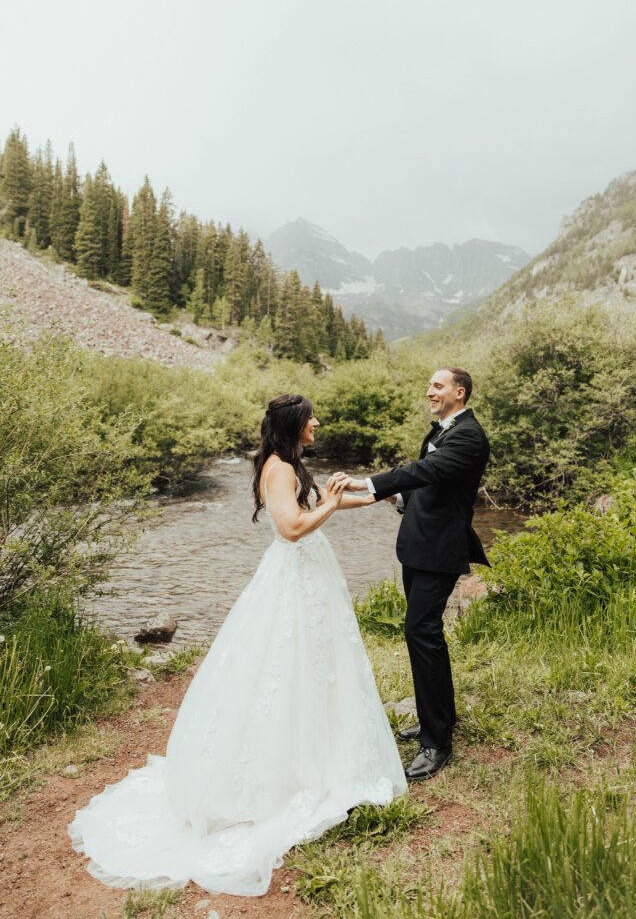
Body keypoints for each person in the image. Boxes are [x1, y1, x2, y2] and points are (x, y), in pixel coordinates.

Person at [69, 394, 407, 897]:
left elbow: (314, 508)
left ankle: (326, 752)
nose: (316, 422)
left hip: (311, 577)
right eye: (310, 417)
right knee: (283, 666)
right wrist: (333, 503)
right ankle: (286, 774)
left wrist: (374, 496)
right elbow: (291, 528)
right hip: (294, 577)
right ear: (295, 424)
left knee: (317, 667)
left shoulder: (291, 464)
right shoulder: (278, 469)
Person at [341, 367, 490, 782]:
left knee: (420, 631)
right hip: (419, 546)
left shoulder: (469, 435)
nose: (429, 391)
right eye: (429, 385)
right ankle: (434, 720)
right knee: (423, 633)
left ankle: (437, 743)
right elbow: (424, 484)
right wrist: (393, 499)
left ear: (459, 393)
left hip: (441, 550)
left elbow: (424, 472)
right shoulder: (441, 431)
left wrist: (366, 484)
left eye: (437, 386)